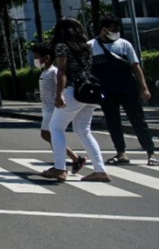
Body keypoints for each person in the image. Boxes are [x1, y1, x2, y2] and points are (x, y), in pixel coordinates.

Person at [42, 17, 109, 182]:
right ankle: (100, 170)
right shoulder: (87, 47)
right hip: (88, 92)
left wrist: (59, 94)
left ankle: (59, 168)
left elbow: (62, 71)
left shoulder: (62, 47)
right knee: (84, 131)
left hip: (73, 91)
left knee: (55, 128)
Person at [89, 16, 159, 167]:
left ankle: (150, 152)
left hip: (128, 88)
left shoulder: (124, 44)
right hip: (106, 90)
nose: (115, 33)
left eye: (117, 30)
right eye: (112, 30)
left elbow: (135, 66)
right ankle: (121, 152)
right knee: (113, 122)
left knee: (138, 120)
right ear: (104, 29)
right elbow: (87, 70)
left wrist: (144, 87)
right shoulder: (91, 46)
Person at [32, 42, 85, 173]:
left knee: (48, 134)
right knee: (48, 135)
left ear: (47, 58)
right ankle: (74, 159)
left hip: (53, 108)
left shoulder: (54, 71)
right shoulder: (45, 72)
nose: (35, 60)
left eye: (37, 57)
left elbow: (61, 85)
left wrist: (59, 96)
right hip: (47, 108)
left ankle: (68, 162)